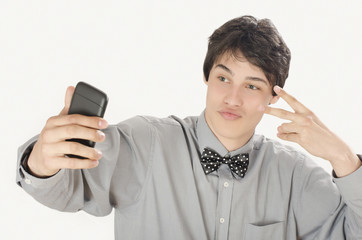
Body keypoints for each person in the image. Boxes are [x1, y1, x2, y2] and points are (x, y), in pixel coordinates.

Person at [16, 15, 362, 239]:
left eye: (252, 86)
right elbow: (67, 188)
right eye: (223, 78)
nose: (233, 98)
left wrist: (342, 157)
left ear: (273, 97)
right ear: (206, 78)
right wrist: (43, 163)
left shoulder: (295, 175)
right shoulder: (146, 143)